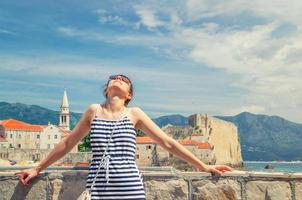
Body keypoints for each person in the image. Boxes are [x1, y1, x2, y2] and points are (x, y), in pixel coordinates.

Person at [15, 74, 233, 199]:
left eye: (124, 79)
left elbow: (168, 142)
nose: (118, 78)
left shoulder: (134, 113)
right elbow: (67, 142)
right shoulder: (93, 111)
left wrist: (203, 167)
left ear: (129, 94)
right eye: (114, 78)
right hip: (98, 187)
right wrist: (38, 168)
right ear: (107, 90)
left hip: (130, 187)